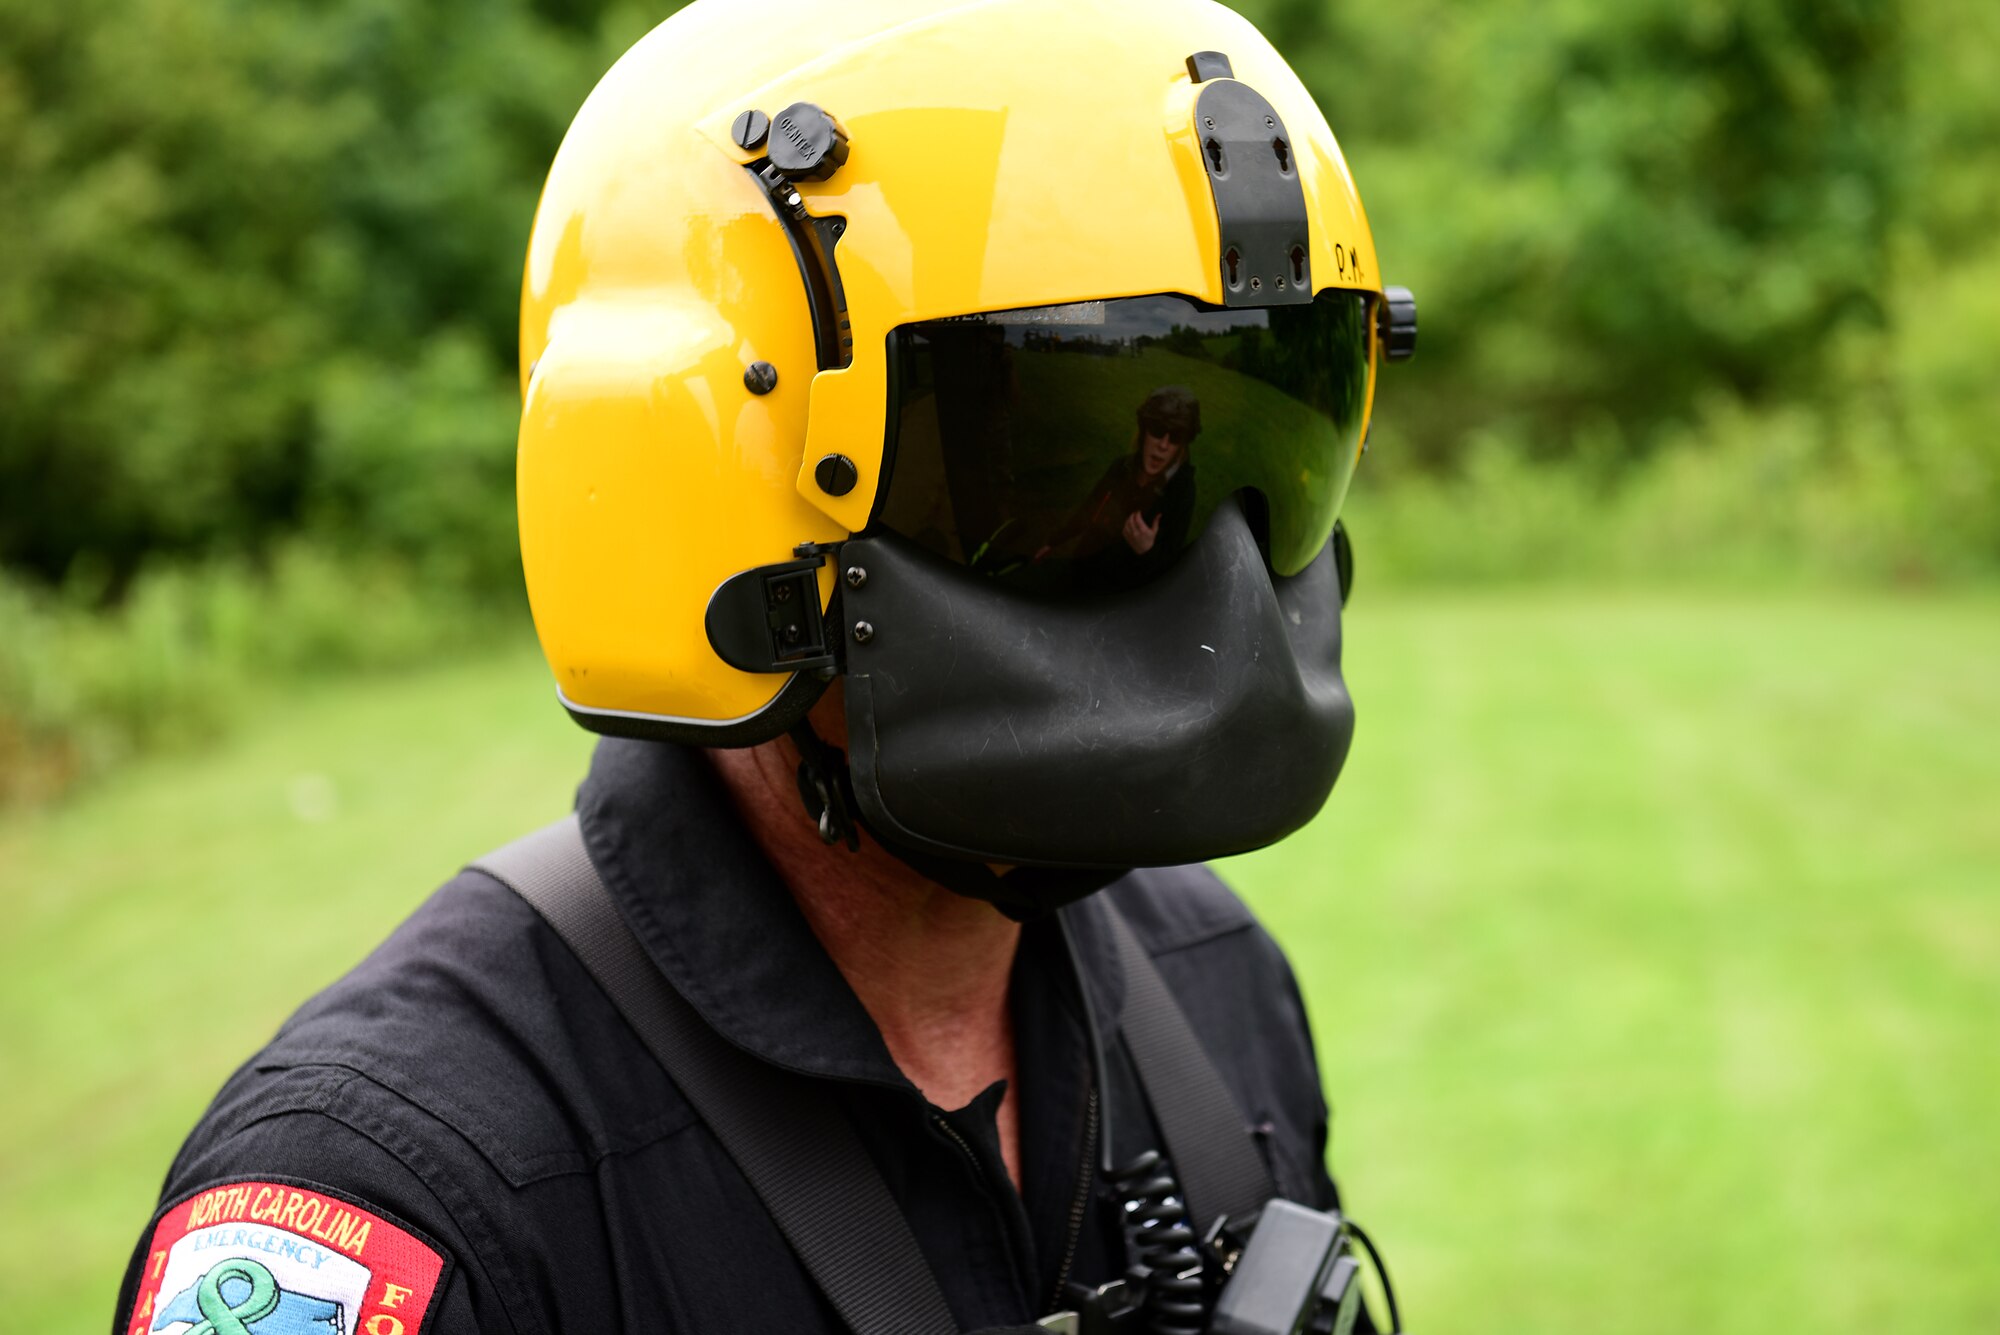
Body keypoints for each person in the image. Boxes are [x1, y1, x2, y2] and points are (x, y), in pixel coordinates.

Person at [112, 2, 1417, 1333]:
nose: (1211, 586)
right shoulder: (381, 1200)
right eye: (1043, 463)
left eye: (1260, 454)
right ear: (700, 484)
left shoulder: (1213, 974)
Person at [1036, 387, 1201, 588]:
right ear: (1144, 431)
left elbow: (1169, 572)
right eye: (1157, 431)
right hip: (1082, 569)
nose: (1164, 445)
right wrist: (1054, 541)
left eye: (1175, 437)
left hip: (1118, 596)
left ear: (1181, 445)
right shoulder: (1122, 467)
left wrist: (1147, 551)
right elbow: (1090, 508)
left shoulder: (1181, 492)